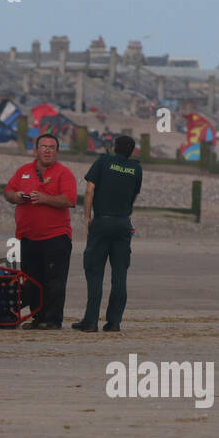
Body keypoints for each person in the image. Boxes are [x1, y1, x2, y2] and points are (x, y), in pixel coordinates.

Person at [4, 133, 78, 329]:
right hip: (28, 237)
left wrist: (44, 198)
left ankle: (53, 320)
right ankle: (38, 317)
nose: (47, 150)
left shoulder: (64, 173)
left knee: (54, 281)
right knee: (32, 281)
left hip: (55, 237)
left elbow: (69, 200)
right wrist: (17, 196)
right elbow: (8, 192)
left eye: (51, 147)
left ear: (57, 151)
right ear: (37, 150)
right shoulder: (23, 171)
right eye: (43, 146)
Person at [74, 134, 142, 332]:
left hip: (102, 220)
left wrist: (87, 217)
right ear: (131, 151)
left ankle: (91, 320)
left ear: (114, 147)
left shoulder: (103, 162)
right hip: (122, 223)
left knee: (94, 271)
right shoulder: (136, 168)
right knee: (119, 274)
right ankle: (114, 321)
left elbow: (89, 190)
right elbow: (135, 194)